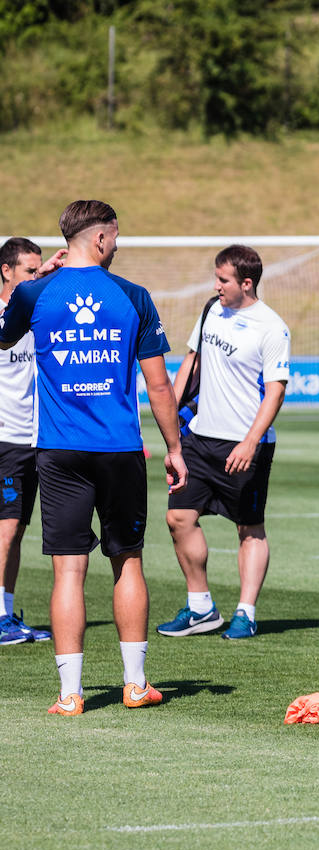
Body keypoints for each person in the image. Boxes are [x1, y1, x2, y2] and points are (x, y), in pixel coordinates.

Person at [0, 199, 186, 715]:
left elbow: (2, 333)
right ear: (102, 238)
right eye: (116, 236)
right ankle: (134, 684)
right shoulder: (133, 296)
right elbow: (158, 385)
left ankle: (70, 693)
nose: (118, 244)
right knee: (127, 560)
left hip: (57, 452)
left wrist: (32, 284)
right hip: (120, 449)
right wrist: (174, 448)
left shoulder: (35, 292)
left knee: (68, 571)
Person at [155, 246, 290, 640]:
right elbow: (190, 364)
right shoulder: (210, 311)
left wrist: (250, 443)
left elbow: (275, 392)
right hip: (198, 439)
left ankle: (245, 613)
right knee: (179, 517)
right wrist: (171, 426)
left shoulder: (272, 327)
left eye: (223, 280)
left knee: (249, 528)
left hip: (245, 445)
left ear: (246, 283)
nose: (216, 286)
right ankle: (200, 608)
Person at [0, 237, 63, 645]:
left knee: (17, 528)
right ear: (6, 271)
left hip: (34, 439)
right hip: (4, 438)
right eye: (29, 270)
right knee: (6, 529)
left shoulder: (36, 312)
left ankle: (5, 613)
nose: (36, 276)